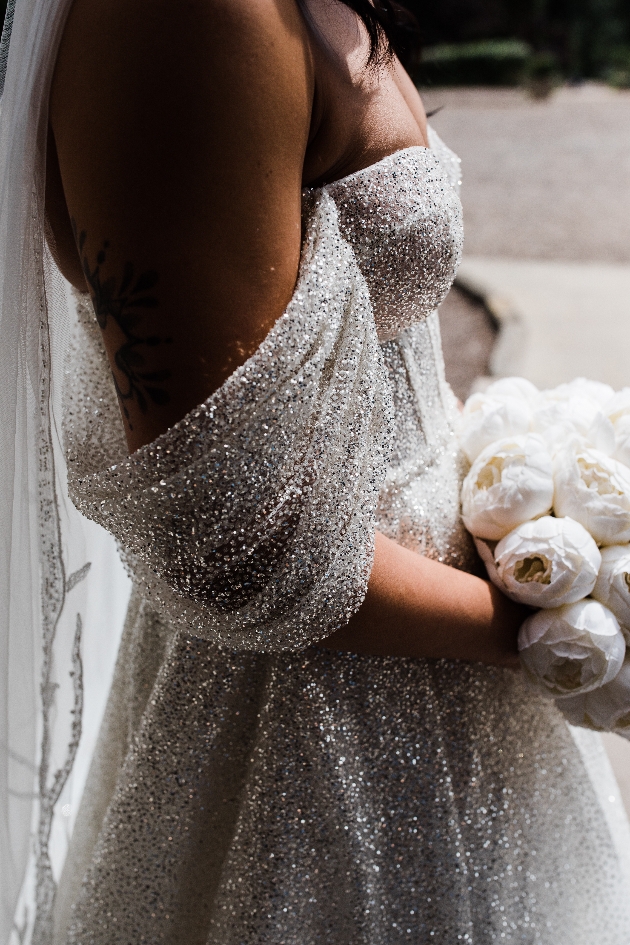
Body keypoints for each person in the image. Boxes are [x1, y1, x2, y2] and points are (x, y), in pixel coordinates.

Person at [2, 0, 630, 942]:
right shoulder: (191, 17)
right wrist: (569, 623)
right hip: (316, 737)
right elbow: (235, 545)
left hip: (435, 680)